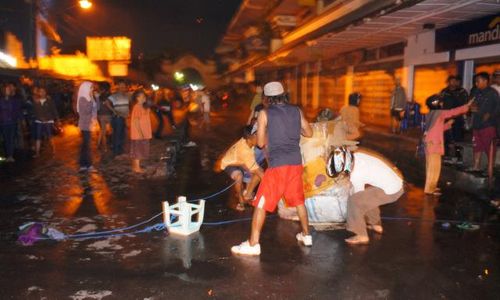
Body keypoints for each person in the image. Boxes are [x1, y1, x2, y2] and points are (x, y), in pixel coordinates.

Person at [231, 81, 313, 256]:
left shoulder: (264, 113)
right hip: (295, 163)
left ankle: (253, 244)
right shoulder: (296, 110)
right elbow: (309, 133)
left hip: (277, 165)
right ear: (283, 94)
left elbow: (260, 143)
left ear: (266, 98)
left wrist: (271, 133)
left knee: (260, 204)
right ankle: (306, 235)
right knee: (298, 201)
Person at [339, 149, 405, 244]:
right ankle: (376, 224)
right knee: (368, 197)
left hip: (392, 191)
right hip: (395, 183)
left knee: (354, 201)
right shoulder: (358, 155)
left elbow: (357, 195)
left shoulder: (356, 174)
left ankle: (361, 235)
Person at [423, 95, 473, 195]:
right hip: (434, 144)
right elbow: (452, 112)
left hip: (430, 143)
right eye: (441, 103)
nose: (442, 104)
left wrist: (447, 125)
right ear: (437, 104)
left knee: (431, 166)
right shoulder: (439, 113)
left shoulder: (431, 114)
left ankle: (430, 187)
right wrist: (466, 106)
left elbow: (436, 129)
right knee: (434, 167)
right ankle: (429, 189)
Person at [218, 125, 264, 211]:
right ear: (250, 137)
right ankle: (240, 199)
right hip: (230, 164)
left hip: (240, 161)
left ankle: (247, 195)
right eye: (258, 135)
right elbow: (261, 174)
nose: (261, 137)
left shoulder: (247, 141)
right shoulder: (245, 151)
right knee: (239, 176)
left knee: (257, 172)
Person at [470, 72, 498, 171]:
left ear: (485, 81)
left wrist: (490, 114)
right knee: (476, 146)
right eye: (475, 81)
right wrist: (471, 107)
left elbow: (498, 107)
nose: (476, 83)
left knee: (489, 148)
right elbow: (471, 104)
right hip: (476, 124)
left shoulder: (493, 93)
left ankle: (490, 168)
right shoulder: (475, 92)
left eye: (478, 81)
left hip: (488, 125)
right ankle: (476, 166)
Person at [440, 75, 468, 158]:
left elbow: (464, 103)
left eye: (455, 81)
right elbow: (440, 103)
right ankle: (445, 153)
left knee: (458, 136)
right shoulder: (444, 91)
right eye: (451, 81)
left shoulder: (462, 91)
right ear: (448, 82)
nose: (453, 83)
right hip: (446, 117)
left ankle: (458, 154)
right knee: (445, 135)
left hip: (457, 117)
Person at [77, 81, 97, 172]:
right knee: (87, 145)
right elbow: (87, 110)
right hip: (85, 124)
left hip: (89, 124)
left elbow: (96, 108)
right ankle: (88, 165)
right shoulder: (82, 99)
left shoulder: (89, 98)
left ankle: (83, 165)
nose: (92, 90)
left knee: (85, 145)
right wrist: (91, 99)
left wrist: (94, 98)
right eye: (91, 88)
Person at [33, 86, 59, 158]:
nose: (42, 93)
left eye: (43, 91)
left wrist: (57, 119)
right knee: (38, 137)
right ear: (39, 93)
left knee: (50, 136)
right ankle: (37, 153)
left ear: (46, 92)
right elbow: (35, 112)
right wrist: (40, 118)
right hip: (39, 121)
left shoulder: (49, 101)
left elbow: (54, 110)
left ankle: (54, 150)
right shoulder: (36, 101)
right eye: (40, 91)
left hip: (48, 121)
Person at [130, 89, 152, 173]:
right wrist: (140, 133)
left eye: (144, 96)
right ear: (137, 98)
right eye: (141, 96)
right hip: (139, 134)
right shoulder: (137, 106)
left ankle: (135, 166)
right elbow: (136, 121)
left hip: (143, 133)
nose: (143, 98)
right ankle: (136, 168)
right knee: (137, 151)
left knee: (139, 150)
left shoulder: (142, 107)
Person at [0, 82, 23, 162]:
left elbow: (18, 110)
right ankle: (7, 155)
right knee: (6, 139)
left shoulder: (14, 100)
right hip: (3, 123)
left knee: (11, 139)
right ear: (3, 91)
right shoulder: (1, 100)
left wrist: (20, 119)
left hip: (13, 122)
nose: (8, 91)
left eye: (9, 89)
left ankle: (10, 155)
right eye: (7, 89)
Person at [107, 80, 130, 157]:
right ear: (118, 86)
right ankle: (116, 153)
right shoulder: (114, 95)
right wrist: (114, 110)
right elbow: (106, 103)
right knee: (117, 135)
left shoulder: (127, 95)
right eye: (121, 85)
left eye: (124, 86)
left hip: (123, 118)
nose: (122, 87)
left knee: (122, 135)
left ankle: (120, 151)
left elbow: (128, 105)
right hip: (117, 118)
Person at [96, 82, 112, 152]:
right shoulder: (110, 96)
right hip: (108, 115)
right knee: (110, 130)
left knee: (103, 131)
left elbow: (97, 107)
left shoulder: (99, 96)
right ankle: (110, 144)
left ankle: (103, 147)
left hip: (100, 115)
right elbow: (112, 105)